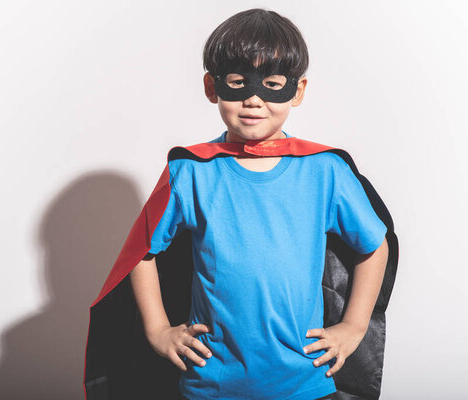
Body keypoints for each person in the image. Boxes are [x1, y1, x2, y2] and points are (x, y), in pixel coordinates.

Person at [126, 8, 390, 400]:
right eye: (237, 82)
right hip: (211, 382)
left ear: (297, 91)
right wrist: (158, 330)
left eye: (271, 84)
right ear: (211, 87)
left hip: (305, 380)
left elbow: (374, 245)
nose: (253, 99)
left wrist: (353, 326)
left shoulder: (325, 171)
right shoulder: (192, 172)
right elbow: (141, 251)